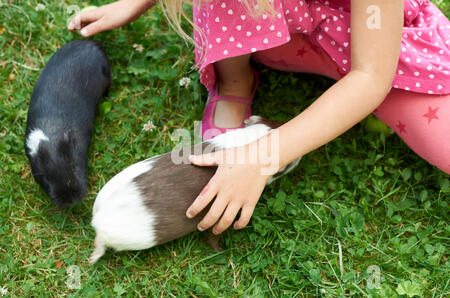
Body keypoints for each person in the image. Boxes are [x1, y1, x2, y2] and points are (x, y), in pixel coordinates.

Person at [69, 0, 450, 236]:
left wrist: (263, 156)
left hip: (367, 34)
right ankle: (235, 81)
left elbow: (370, 77)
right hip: (273, 23)